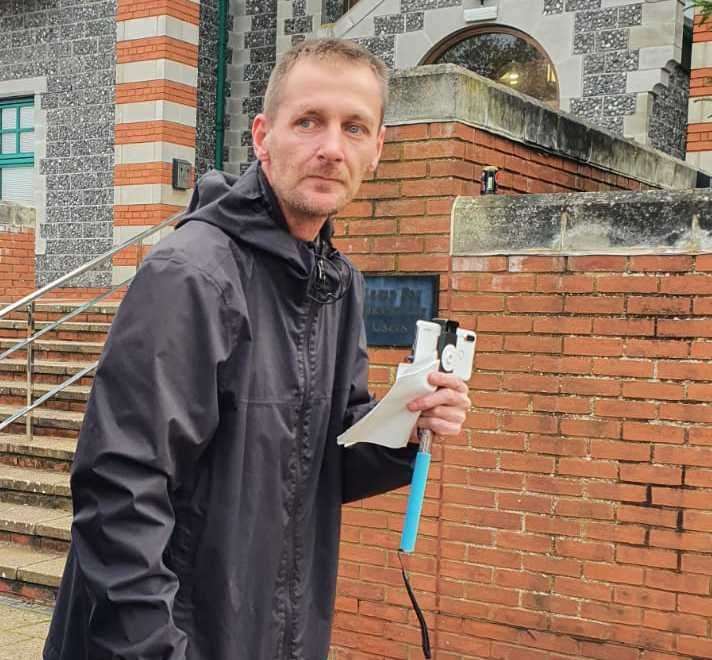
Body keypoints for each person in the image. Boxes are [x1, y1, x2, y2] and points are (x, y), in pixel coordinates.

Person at [43, 39, 471, 660]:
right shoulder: (191, 275)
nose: (331, 147)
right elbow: (119, 493)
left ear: (377, 149)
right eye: (309, 121)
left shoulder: (337, 281)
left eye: (354, 127)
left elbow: (320, 466)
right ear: (263, 136)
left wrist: (406, 426)